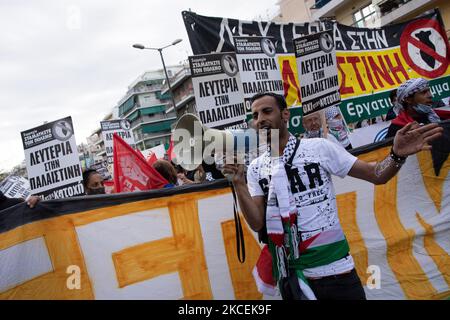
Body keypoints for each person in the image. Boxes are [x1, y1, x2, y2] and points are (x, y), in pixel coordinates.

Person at [222, 92, 442, 300]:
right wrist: (239, 184)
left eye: (267, 111)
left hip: (337, 273)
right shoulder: (256, 168)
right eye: (255, 115)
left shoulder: (319, 148)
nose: (260, 119)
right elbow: (257, 221)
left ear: (285, 114)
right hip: (292, 277)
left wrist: (396, 156)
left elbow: (376, 175)